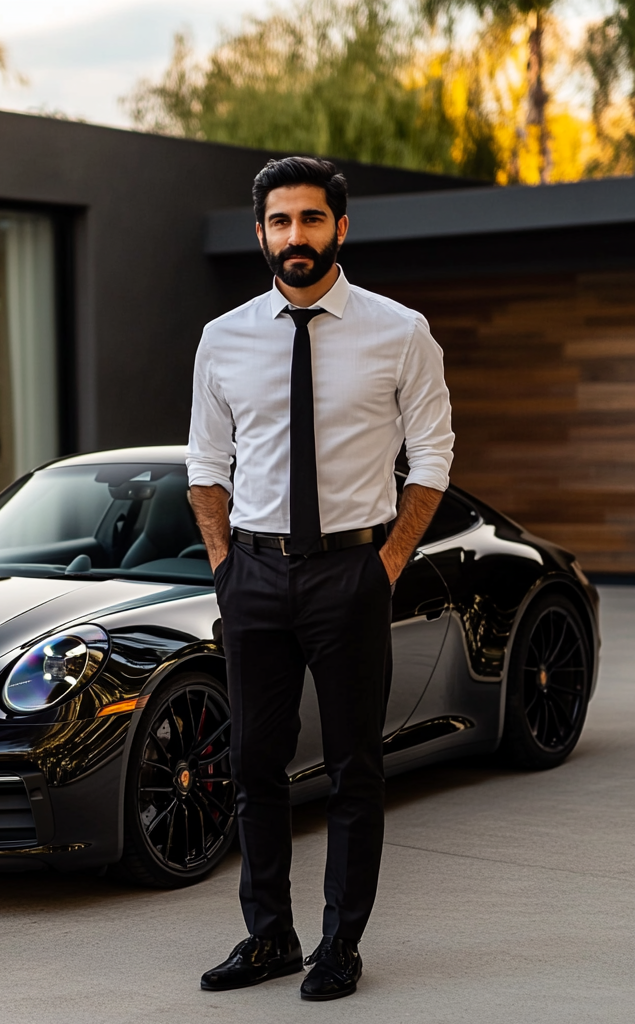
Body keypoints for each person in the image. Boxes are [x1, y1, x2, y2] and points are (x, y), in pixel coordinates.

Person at [187, 156, 454, 1001]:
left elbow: (435, 459)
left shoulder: (400, 330)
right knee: (253, 763)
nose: (293, 236)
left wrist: (385, 564)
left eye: (310, 219)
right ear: (259, 233)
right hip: (255, 574)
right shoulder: (222, 337)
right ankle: (268, 937)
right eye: (278, 221)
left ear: (342, 226)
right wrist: (225, 564)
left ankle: (340, 945)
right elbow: (205, 463)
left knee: (353, 769)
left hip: (351, 572)